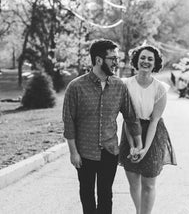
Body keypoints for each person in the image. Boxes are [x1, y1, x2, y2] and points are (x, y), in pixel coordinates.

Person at [62, 39, 143, 214]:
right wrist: (73, 152)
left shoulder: (119, 86)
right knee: (87, 193)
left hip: (110, 150)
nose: (116, 62)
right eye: (112, 58)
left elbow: (131, 117)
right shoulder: (75, 87)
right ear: (99, 60)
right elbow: (69, 122)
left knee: (106, 195)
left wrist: (138, 144)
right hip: (84, 153)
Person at [119, 45, 177, 214]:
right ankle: (139, 211)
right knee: (134, 183)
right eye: (143, 58)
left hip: (153, 134)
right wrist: (133, 145)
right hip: (130, 131)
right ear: (136, 61)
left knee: (149, 184)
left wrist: (144, 149)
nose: (146, 61)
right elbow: (128, 119)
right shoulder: (125, 85)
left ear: (155, 63)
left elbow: (154, 121)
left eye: (150, 59)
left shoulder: (160, 89)